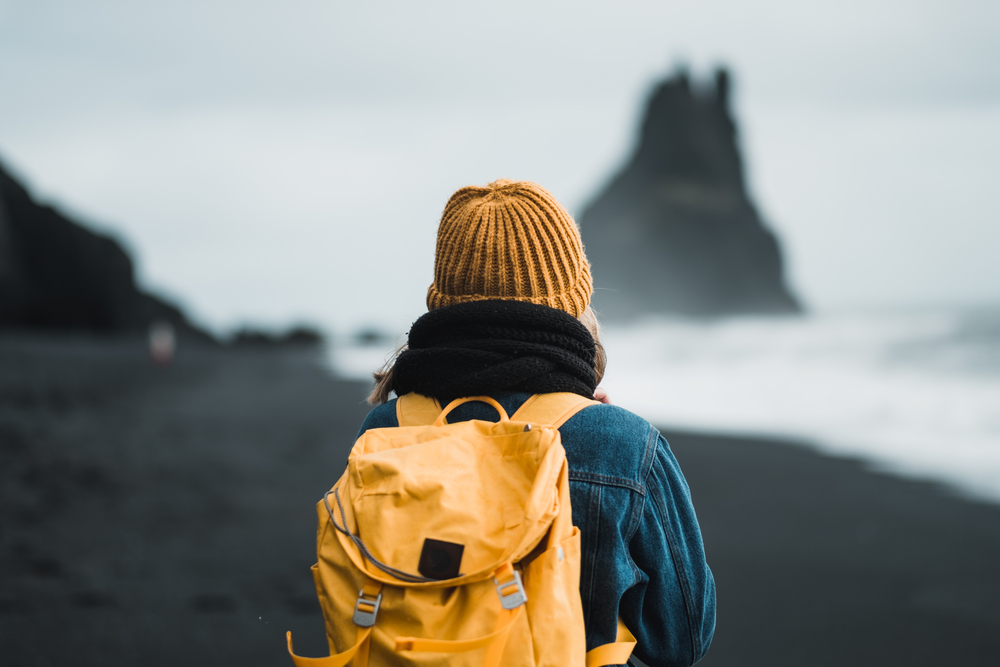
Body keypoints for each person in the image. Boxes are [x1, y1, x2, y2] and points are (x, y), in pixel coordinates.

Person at [357, 179, 715, 666]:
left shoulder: (383, 431)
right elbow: (681, 640)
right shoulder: (625, 446)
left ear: (444, 300)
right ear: (573, 300)